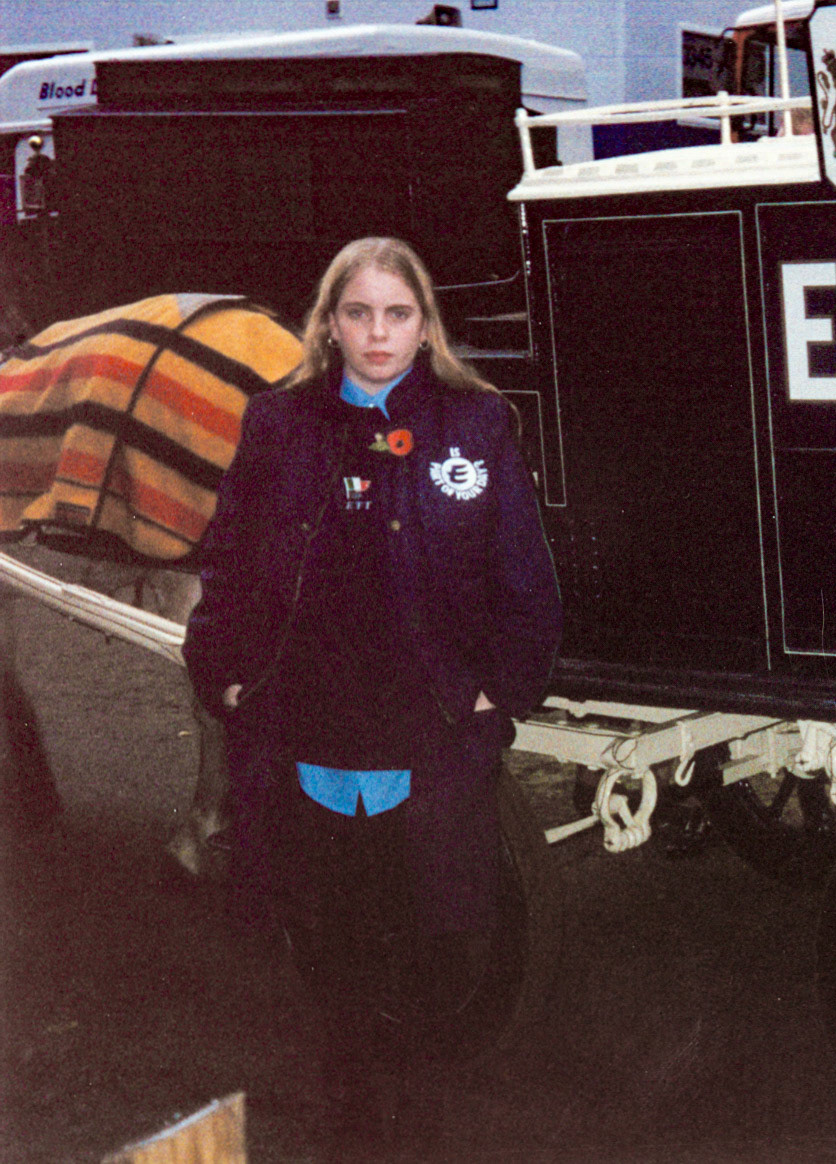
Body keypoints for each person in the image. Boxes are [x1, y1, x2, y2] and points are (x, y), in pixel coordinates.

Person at [182, 237, 563, 1155]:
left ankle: (421, 1118)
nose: (377, 333)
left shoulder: (475, 425)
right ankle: (350, 1121)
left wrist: (498, 696)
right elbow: (228, 565)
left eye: (397, 314)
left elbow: (525, 576)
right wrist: (228, 672)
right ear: (329, 325)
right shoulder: (280, 425)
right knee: (329, 939)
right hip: (311, 725)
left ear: (425, 326)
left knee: (438, 936)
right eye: (358, 313)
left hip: (428, 733)